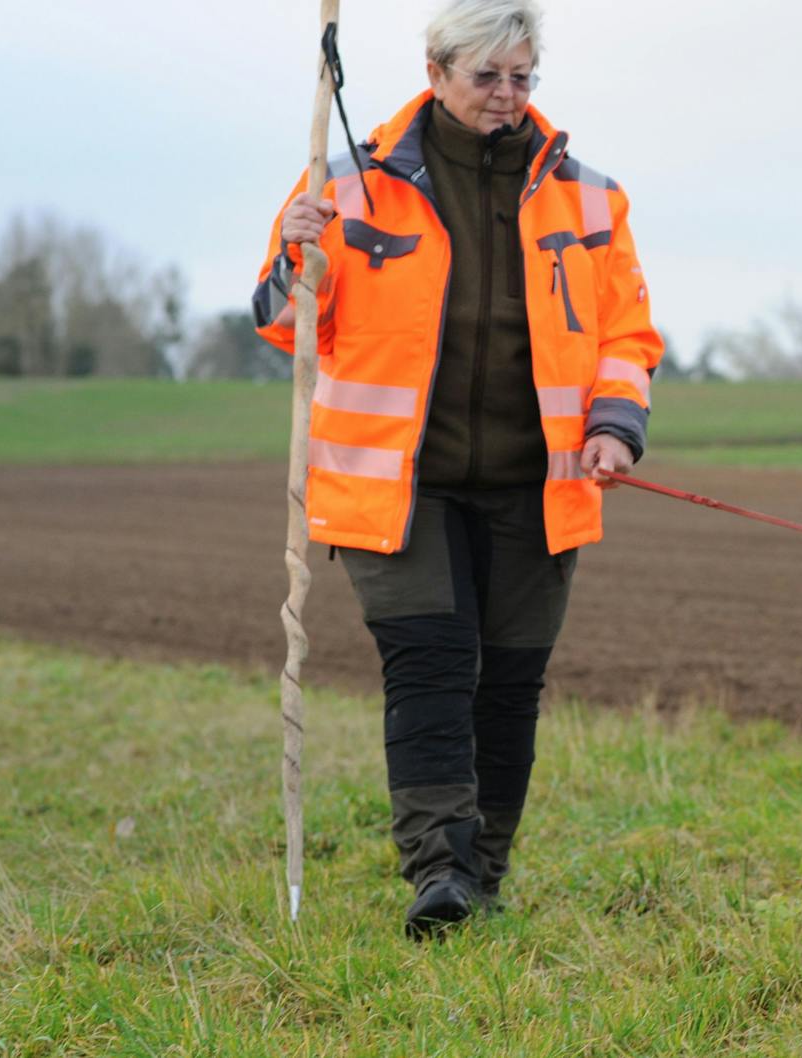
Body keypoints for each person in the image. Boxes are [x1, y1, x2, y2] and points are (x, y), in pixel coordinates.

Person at [251, 0, 662, 937]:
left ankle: (486, 870)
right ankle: (439, 871)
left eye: (523, 78)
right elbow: (283, 323)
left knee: (511, 680)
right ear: (437, 72)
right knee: (432, 664)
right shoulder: (347, 184)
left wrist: (615, 427)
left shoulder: (590, 196)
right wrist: (298, 250)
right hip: (397, 485)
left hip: (540, 482)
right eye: (488, 78)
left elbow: (627, 334)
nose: (508, 97)